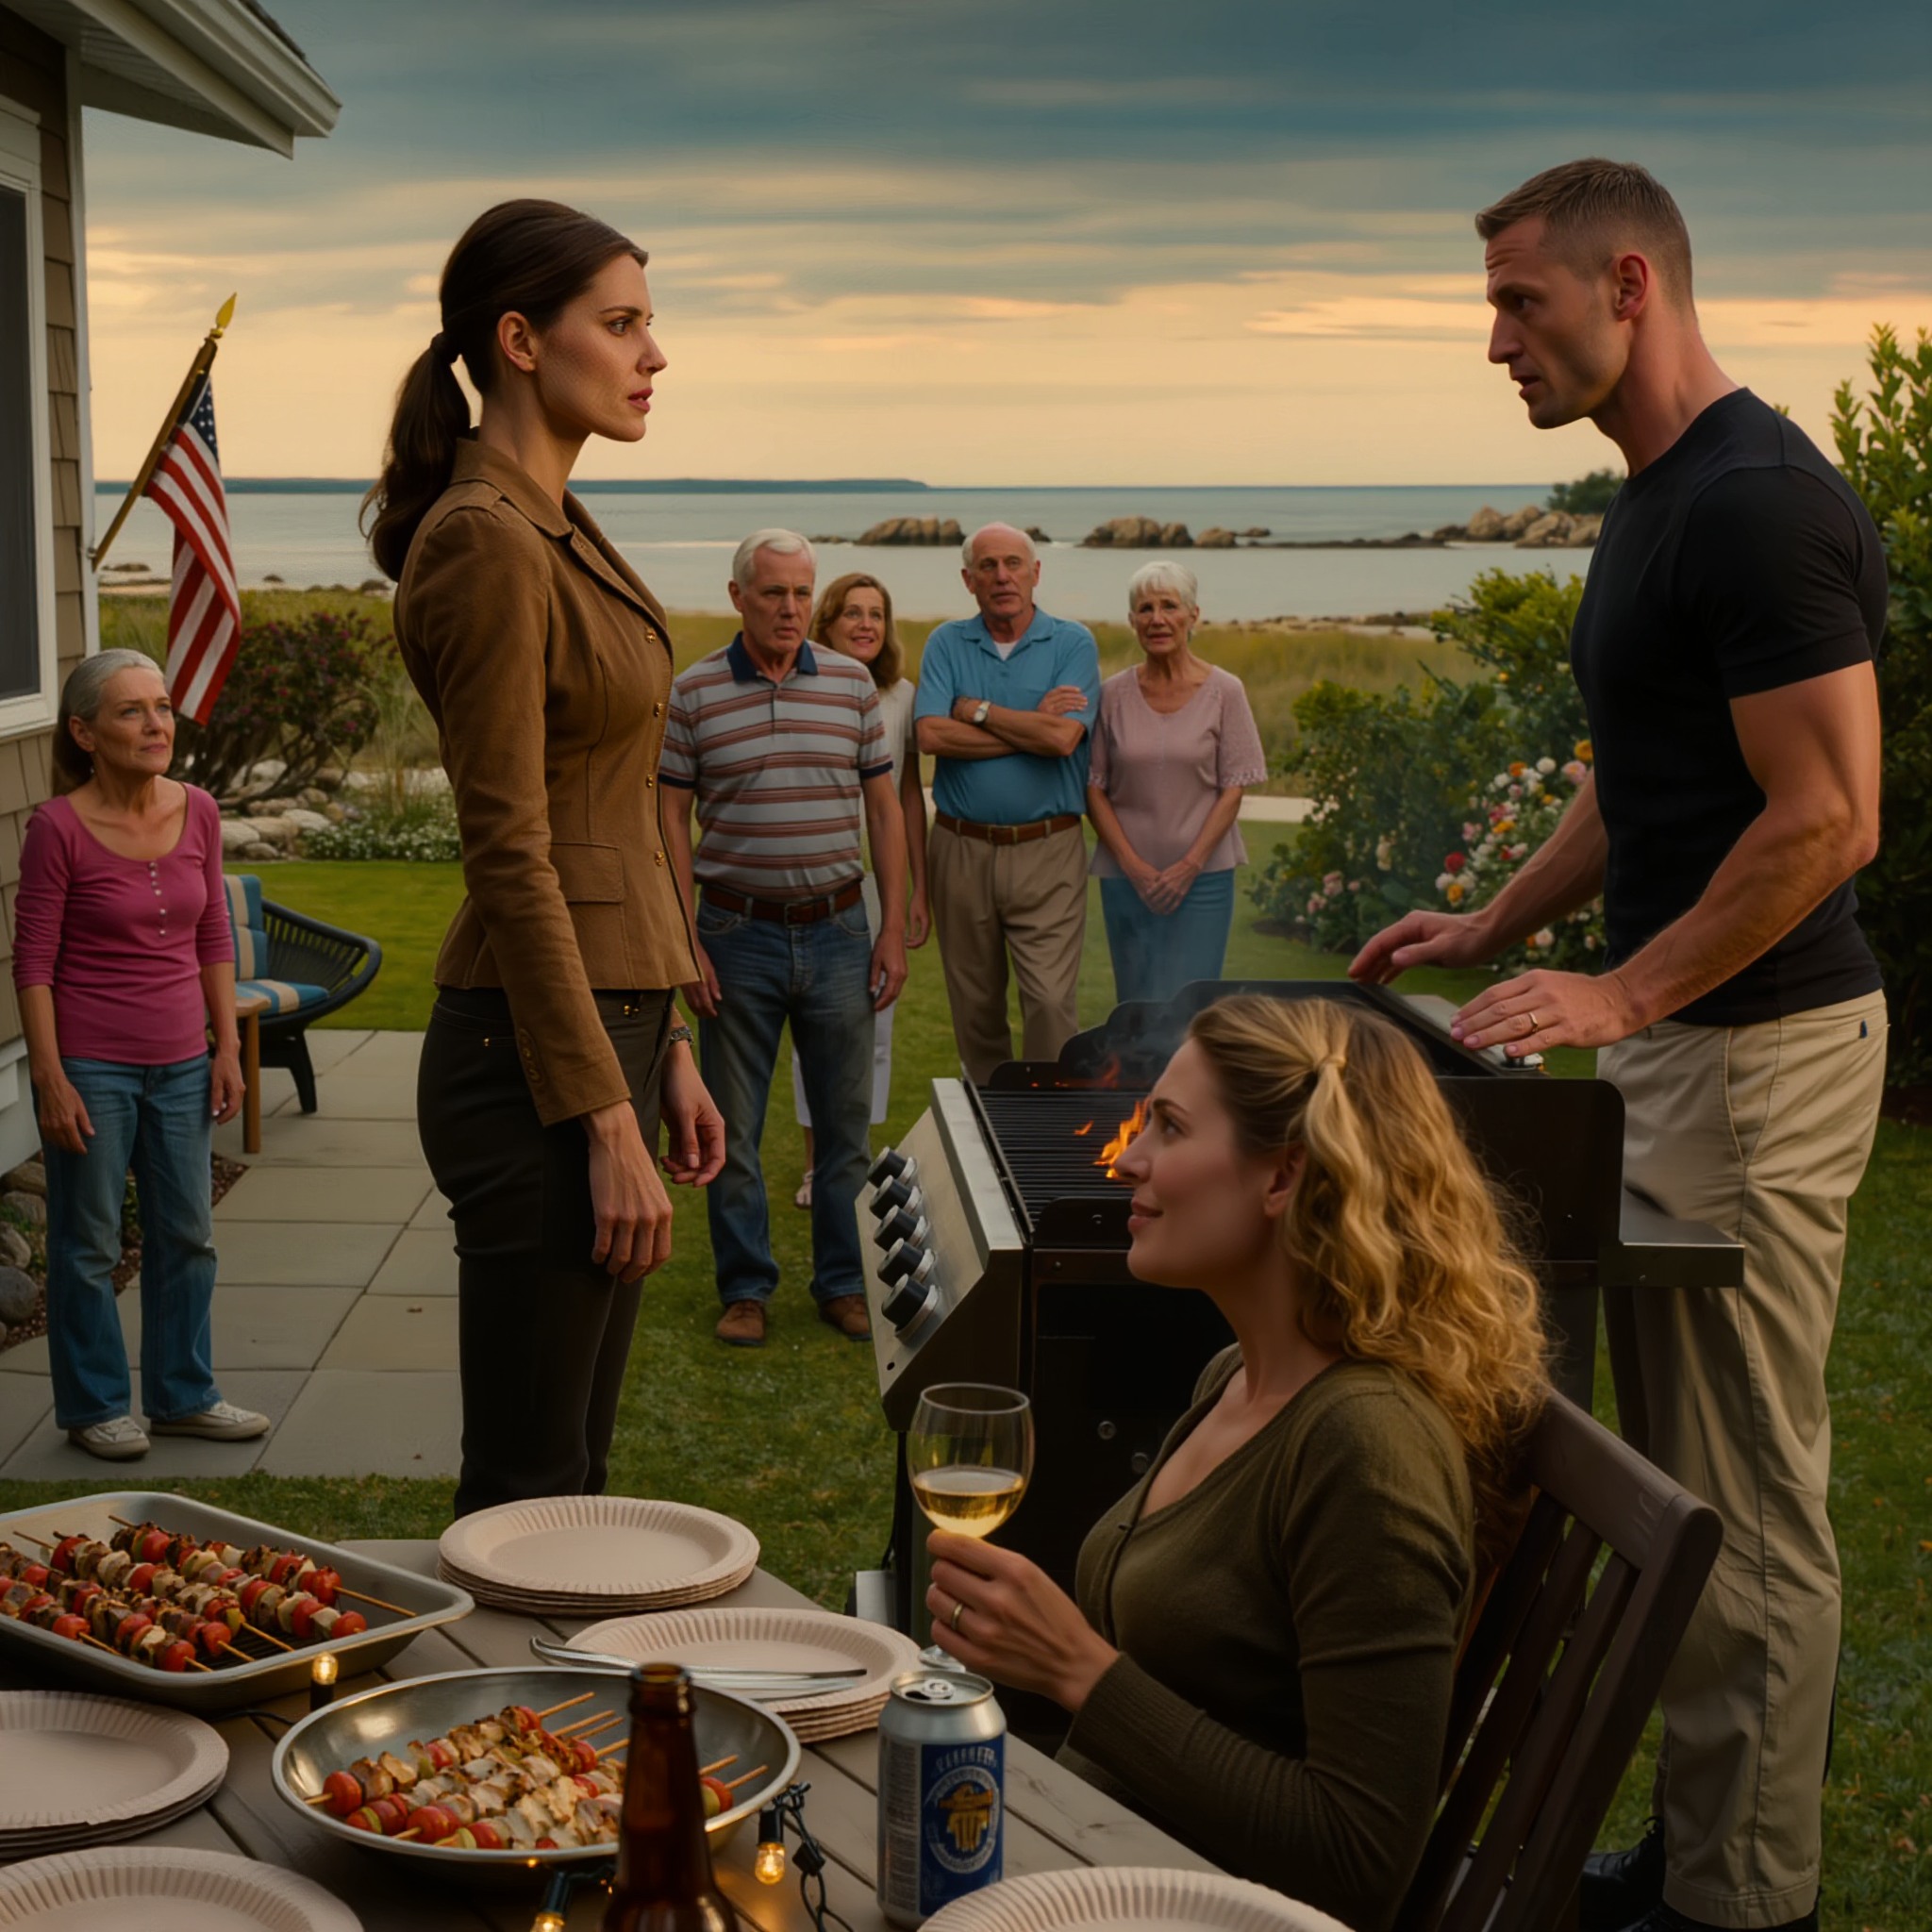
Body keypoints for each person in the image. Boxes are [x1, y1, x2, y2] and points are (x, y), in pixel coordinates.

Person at [1352, 160, 1887, 1932]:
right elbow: (1639, 777)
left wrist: (1621, 995)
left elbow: (1823, 818)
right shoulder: (1656, 497)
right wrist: (1498, 928)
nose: (1492, 339)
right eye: (1490, 305)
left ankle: (1746, 1901)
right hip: (1688, 1044)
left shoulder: (1752, 503)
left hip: (1755, 1051)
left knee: (1737, 1484)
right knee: (1662, 1474)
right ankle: (1701, 1843)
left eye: (1520, 302)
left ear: (1630, 284)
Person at [924, 994, 1549, 1932]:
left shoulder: (1364, 1449)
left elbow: (1357, 1860)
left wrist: (1081, 1673)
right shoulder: (1237, 1376)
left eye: (1166, 1127)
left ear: (1282, 1176)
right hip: (1094, 1864)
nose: (1127, 1156)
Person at [369, 198, 724, 1518]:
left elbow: (618, 810)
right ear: (521, 340)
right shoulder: (483, 541)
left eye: (649, 323)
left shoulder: (556, 523)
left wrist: (671, 1038)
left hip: (610, 1027)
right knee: (528, 1488)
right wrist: (603, 1115)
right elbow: (511, 850)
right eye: (622, 323)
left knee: (579, 1480)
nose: (653, 354)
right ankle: (491, 1722)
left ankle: (554, 1727)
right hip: (529, 1067)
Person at [13, 650, 265, 1459]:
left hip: (183, 1061)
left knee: (188, 1233)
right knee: (88, 1245)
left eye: (161, 707)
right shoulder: (56, 828)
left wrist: (226, 1043)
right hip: (93, 1065)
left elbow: (213, 935)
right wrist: (49, 1078)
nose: (157, 724)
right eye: (132, 711)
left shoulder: (197, 810)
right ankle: (93, 1408)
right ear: (84, 732)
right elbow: (33, 964)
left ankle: (184, 1395)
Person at [660, 531, 909, 1349]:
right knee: (729, 1124)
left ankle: (841, 1283)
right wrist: (682, 939)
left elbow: (885, 810)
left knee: (844, 1131)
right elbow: (667, 818)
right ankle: (745, 1288)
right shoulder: (694, 693)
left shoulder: (849, 686)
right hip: (734, 933)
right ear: (739, 597)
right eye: (775, 594)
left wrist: (892, 931)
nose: (793, 609)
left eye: (803, 593)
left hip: (840, 930)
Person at [914, 524, 1102, 1082]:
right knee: (976, 1010)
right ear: (969, 580)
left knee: (1048, 1003)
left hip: (1047, 850)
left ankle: (1044, 1128)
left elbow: (1062, 740)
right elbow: (930, 737)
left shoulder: (1072, 642)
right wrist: (1031, 724)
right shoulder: (947, 642)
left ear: (1036, 573)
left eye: (1014, 564)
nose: (1003, 576)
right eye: (989, 566)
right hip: (960, 848)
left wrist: (976, 710)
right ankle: (992, 1132)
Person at [787, 572, 929, 1209]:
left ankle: (856, 1159)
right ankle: (818, 1167)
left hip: (877, 887)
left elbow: (905, 799)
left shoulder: (902, 696)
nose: (867, 624)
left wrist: (915, 893)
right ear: (827, 622)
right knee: (815, 1028)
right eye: (852, 613)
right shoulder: (800, 685)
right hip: (814, 879)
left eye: (877, 613)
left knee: (873, 1027)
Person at [1087, 561, 1267, 1004]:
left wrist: (1189, 867)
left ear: (1193, 615)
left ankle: (1188, 1077)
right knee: (1134, 1006)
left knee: (1192, 1006)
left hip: (1204, 881)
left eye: (1170, 606)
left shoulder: (1226, 691)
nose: (1157, 619)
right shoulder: (1110, 694)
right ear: (1132, 622)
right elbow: (1093, 787)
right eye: (1145, 609)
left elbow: (1233, 788)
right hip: (1125, 879)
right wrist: (1133, 867)